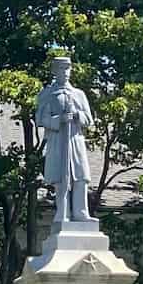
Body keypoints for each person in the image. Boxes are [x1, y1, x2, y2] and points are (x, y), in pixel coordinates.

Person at [35, 56, 96, 224]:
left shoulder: (79, 94)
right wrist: (58, 120)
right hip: (57, 140)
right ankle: (62, 213)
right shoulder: (47, 94)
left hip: (75, 139)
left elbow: (89, 120)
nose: (65, 72)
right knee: (61, 178)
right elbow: (40, 119)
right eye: (62, 69)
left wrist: (77, 116)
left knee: (81, 176)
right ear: (55, 71)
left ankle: (80, 212)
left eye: (68, 69)